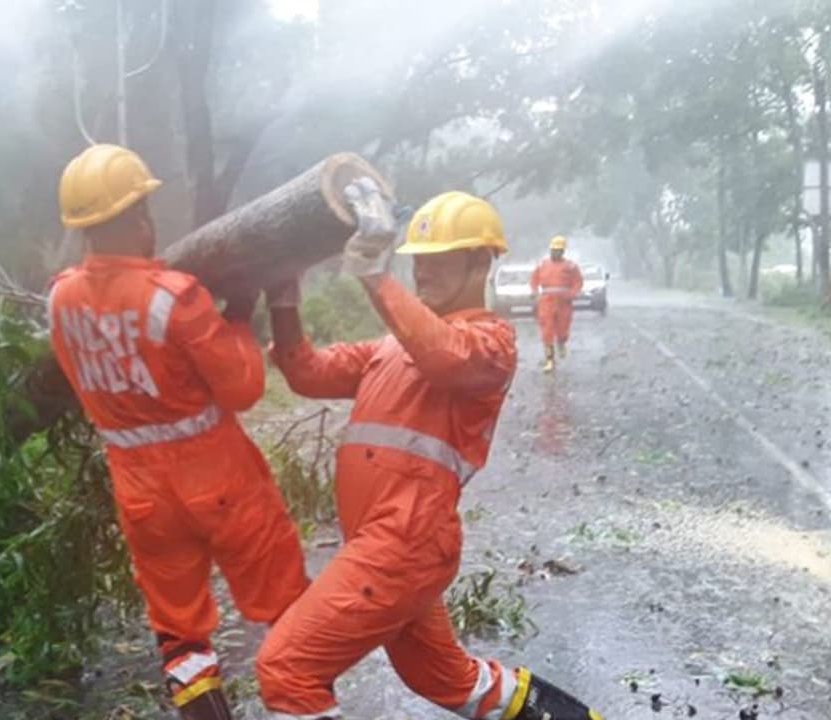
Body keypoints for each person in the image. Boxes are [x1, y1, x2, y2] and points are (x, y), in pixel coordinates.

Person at [255, 185, 603, 720]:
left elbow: (445, 356)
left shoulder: (490, 344)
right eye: (418, 260)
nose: (423, 272)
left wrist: (376, 275)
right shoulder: (392, 347)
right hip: (390, 544)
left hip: (403, 543)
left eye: (439, 259)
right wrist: (283, 299)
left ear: (480, 260)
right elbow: (305, 372)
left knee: (287, 668)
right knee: (444, 677)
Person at [48, 144, 309, 720]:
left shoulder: (60, 298)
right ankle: (305, 706)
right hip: (217, 477)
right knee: (287, 604)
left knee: (179, 629)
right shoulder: (173, 296)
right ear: (137, 214)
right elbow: (242, 387)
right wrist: (239, 315)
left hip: (140, 491)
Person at [529, 235, 584, 372]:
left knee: (562, 329)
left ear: (563, 252)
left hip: (564, 302)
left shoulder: (571, 266)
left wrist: (572, 294)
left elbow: (578, 282)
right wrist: (535, 292)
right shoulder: (543, 265)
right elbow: (534, 280)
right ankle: (550, 360)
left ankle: (561, 342)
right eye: (553, 250)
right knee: (547, 331)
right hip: (546, 301)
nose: (555, 253)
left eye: (558, 250)